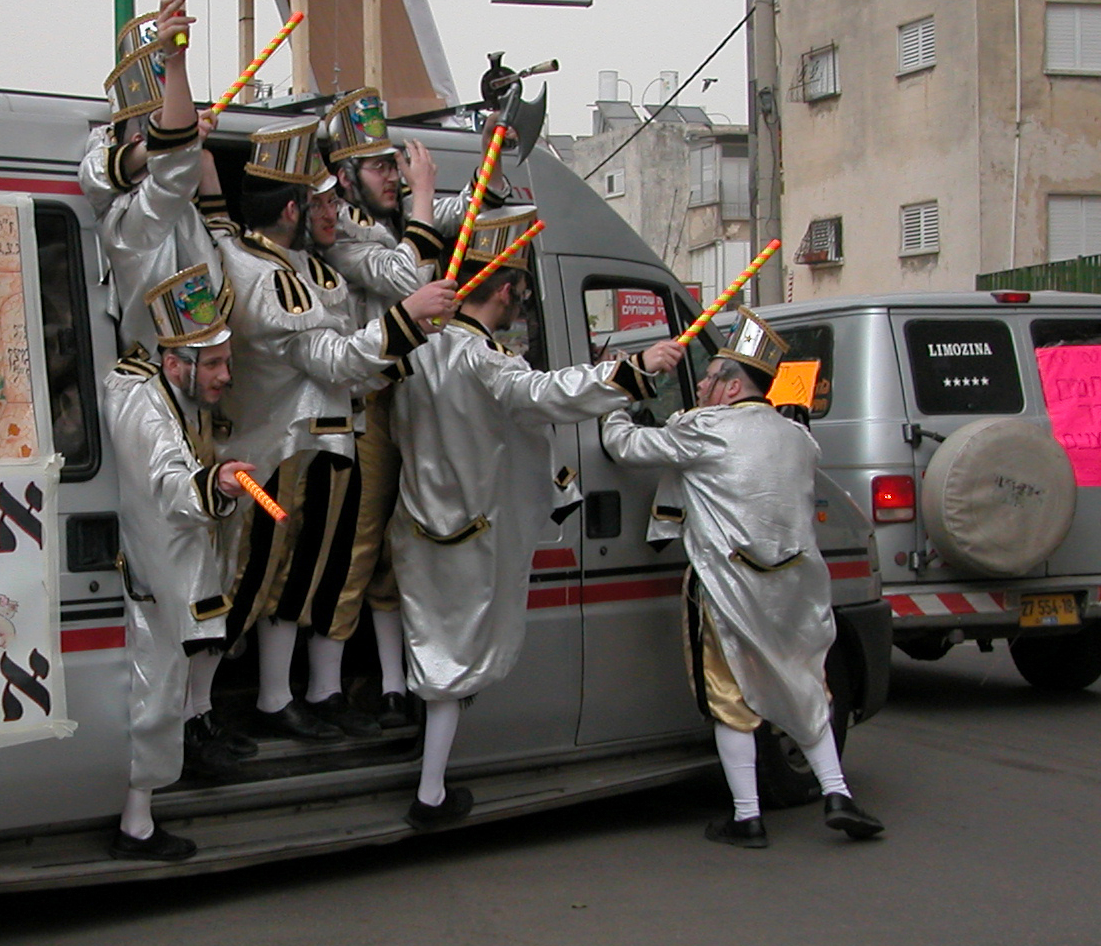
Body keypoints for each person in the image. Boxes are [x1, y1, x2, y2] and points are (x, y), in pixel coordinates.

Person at [388, 209, 683, 826]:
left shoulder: (417, 345)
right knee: (454, 664)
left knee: (433, 652)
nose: (521, 305)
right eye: (521, 294)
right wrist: (636, 368)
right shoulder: (483, 359)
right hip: (470, 534)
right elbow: (548, 393)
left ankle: (411, 744)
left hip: (416, 522)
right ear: (505, 290)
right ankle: (430, 792)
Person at [215, 117, 460, 743]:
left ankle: (285, 696)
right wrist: (405, 322)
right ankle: (205, 714)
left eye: (334, 199)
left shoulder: (301, 262)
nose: (336, 213)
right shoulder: (260, 270)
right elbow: (334, 359)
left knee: (303, 570)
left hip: (318, 441)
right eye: (321, 201)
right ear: (293, 207)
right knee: (248, 581)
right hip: (266, 454)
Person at [600, 311, 885, 848]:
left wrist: (618, 392)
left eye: (709, 379)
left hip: (730, 589)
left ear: (732, 388)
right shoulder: (797, 438)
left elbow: (625, 447)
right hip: (796, 593)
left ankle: (747, 816)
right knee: (804, 685)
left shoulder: (703, 429)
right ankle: (837, 793)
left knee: (729, 696)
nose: (701, 386)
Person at [101, 263, 256, 861]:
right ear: (176, 363)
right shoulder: (144, 404)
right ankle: (134, 826)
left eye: (225, 361)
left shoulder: (173, 387)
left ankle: (139, 816)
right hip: (152, 572)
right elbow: (169, 479)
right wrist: (214, 483)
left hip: (172, 565)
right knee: (154, 692)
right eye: (214, 364)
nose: (225, 375)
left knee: (165, 687)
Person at [316, 88, 449, 729]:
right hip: (358, 404)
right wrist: (422, 198)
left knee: (398, 549)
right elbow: (404, 279)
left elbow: (450, 217)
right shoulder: (336, 227)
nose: (394, 177)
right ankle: (322, 690)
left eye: (396, 165)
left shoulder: (385, 220)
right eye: (380, 167)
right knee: (356, 546)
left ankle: (394, 685)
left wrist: (497, 164)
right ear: (344, 177)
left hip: (402, 402)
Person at [78, 0, 231, 356]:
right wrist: (174, 62)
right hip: (166, 378)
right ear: (134, 141)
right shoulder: (134, 221)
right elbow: (170, 165)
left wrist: (199, 154)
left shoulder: (175, 209)